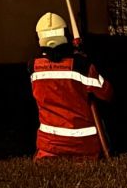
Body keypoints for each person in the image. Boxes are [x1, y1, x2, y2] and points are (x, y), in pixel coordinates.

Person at [29, 11, 112, 160]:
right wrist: (84, 59)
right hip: (83, 146)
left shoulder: (33, 67)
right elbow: (107, 93)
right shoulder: (82, 66)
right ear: (66, 35)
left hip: (49, 147)